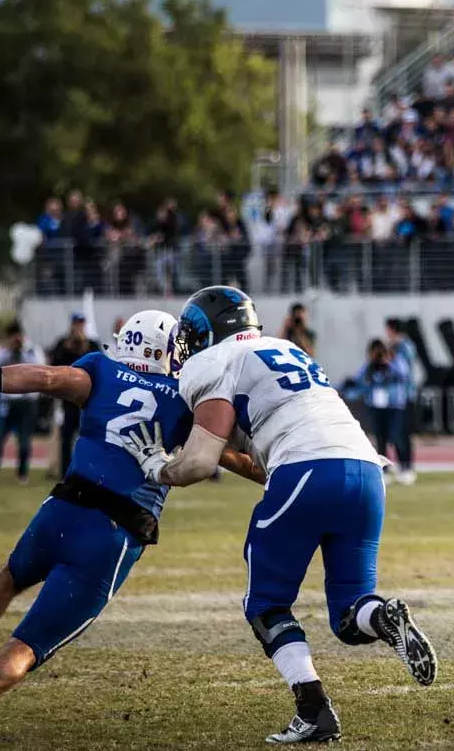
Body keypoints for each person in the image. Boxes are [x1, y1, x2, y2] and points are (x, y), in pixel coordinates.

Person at [117, 286, 437, 743]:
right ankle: (382, 615)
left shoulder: (211, 362)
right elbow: (263, 464)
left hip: (305, 470)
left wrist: (156, 465)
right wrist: (226, 453)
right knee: (350, 613)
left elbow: (199, 464)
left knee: (266, 604)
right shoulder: (286, 349)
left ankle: (315, 710)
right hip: (365, 471)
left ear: (209, 331)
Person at [0, 311, 260, 748]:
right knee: (27, 646)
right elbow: (233, 458)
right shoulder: (186, 394)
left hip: (63, 507)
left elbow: (44, 378)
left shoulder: (100, 368)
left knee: (7, 578)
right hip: (111, 535)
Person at [0, 323, 45, 486]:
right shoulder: (4, 351)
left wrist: (22, 351)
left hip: (27, 402)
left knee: (25, 440)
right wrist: (10, 351)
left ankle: (22, 474)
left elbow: (40, 368)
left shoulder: (32, 350)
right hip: (8, 401)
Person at [48, 313, 99, 480]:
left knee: (88, 439)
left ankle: (87, 472)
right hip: (68, 400)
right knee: (66, 438)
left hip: (87, 400)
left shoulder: (91, 344)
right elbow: (54, 364)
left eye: (81, 324)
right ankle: (65, 473)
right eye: (76, 324)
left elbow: (99, 365)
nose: (78, 328)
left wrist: (83, 345)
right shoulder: (63, 343)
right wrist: (67, 347)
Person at [359, 339, 414, 480]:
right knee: (380, 438)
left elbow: (404, 374)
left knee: (397, 437)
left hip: (394, 406)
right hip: (377, 406)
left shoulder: (396, 360)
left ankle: (405, 468)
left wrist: (388, 361)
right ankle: (385, 469)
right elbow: (359, 379)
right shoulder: (370, 365)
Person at [383, 318, 417, 480]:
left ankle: (407, 466)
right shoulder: (394, 347)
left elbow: (404, 369)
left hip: (405, 396)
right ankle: (400, 465)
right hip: (393, 398)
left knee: (403, 433)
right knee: (393, 433)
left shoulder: (404, 346)